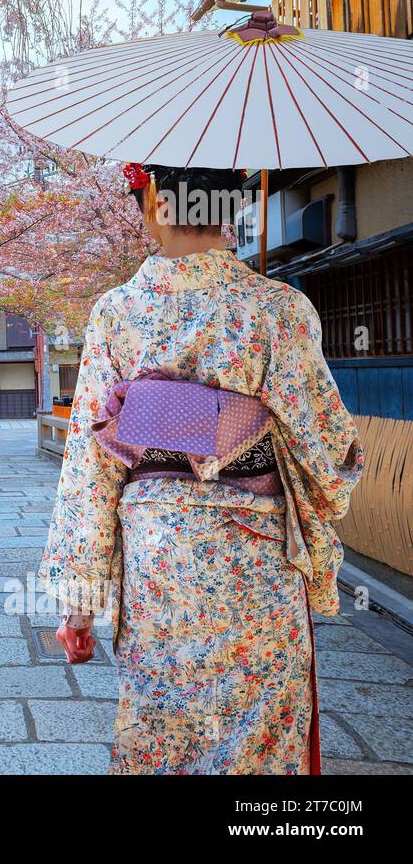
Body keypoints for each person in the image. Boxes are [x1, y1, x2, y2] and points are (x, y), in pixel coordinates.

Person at [38, 164, 363, 774]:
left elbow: (90, 462)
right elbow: (330, 450)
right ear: (232, 204)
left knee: (166, 734)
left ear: (156, 198)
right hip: (257, 562)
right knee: (256, 741)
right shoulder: (279, 309)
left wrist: (80, 600)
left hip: (159, 562)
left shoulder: (116, 313)